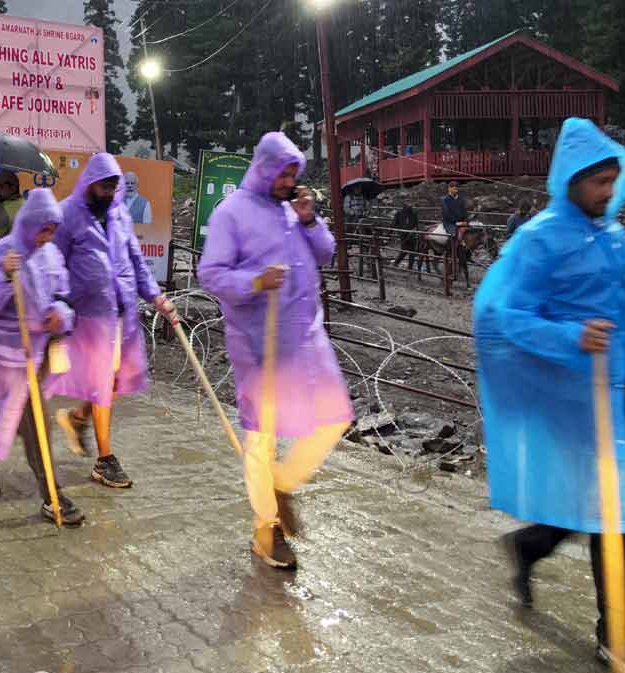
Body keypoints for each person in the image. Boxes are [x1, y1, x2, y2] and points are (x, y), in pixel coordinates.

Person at [475, 118, 625, 673]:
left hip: (611, 400)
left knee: (597, 510)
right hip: (563, 400)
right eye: (599, 181)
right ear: (570, 179)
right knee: (614, 521)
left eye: (613, 179)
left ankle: (528, 548)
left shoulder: (610, 238)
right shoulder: (538, 238)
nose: (609, 191)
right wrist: (570, 338)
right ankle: (620, 638)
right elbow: (501, 317)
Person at [198, 132, 353, 570]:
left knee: (336, 418)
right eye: (283, 173)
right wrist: (254, 283)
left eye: (294, 173)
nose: (290, 181)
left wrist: (309, 221)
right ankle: (267, 528)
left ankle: (282, 486)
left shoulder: (292, 211)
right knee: (262, 437)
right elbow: (211, 274)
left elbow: (325, 255)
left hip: (308, 338)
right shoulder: (231, 213)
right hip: (258, 342)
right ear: (264, 168)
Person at [50, 153, 178, 489]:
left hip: (123, 311)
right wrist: (57, 303)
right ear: (89, 183)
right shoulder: (67, 214)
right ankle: (104, 460)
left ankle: (78, 418)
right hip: (89, 315)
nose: (108, 193)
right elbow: (54, 263)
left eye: (113, 187)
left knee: (121, 381)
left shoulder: (119, 213)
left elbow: (135, 260)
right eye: (103, 186)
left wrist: (157, 297)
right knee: (103, 384)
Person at [0, 188, 85, 523]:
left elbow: (62, 296)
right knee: (37, 425)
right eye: (43, 229)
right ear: (28, 223)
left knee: (16, 417)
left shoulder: (52, 256)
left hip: (37, 352)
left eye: (52, 230)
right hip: (3, 356)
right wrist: (3, 276)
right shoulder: (3, 253)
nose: (47, 237)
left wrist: (59, 314)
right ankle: (53, 498)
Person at [390, 202, 419, 267]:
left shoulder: (414, 213)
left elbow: (417, 224)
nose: (410, 207)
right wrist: (398, 231)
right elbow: (394, 223)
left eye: (410, 206)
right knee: (404, 250)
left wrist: (416, 231)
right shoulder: (399, 213)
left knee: (412, 251)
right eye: (408, 205)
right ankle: (396, 263)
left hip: (411, 234)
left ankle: (410, 267)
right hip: (403, 234)